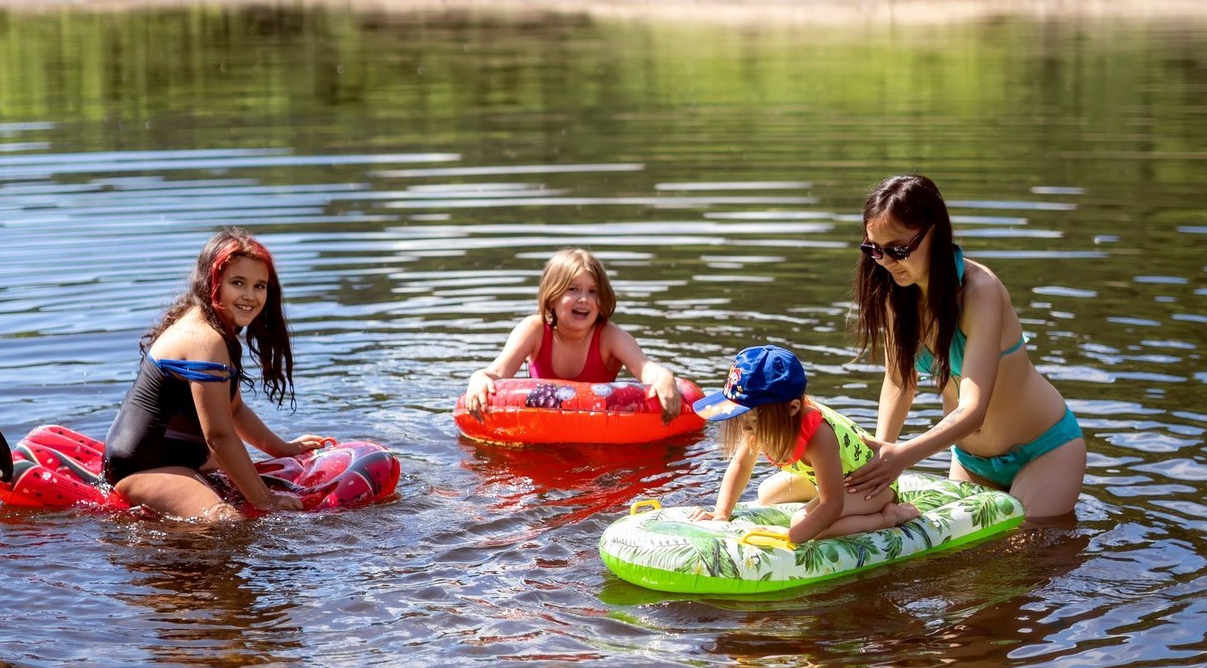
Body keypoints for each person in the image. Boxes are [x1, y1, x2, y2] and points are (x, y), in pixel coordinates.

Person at [846, 173, 1086, 518]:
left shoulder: (980, 292)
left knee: (1026, 552)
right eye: (874, 249)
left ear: (935, 233)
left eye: (898, 250)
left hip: (1043, 451)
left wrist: (904, 455)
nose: (885, 262)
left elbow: (975, 408)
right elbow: (900, 381)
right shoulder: (894, 292)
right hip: (971, 460)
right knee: (971, 564)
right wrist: (881, 458)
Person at [103, 227, 327, 520]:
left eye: (260, 286)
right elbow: (219, 437)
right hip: (144, 466)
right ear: (213, 283)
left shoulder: (219, 331)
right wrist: (267, 501)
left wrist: (281, 448)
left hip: (179, 456)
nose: (250, 296)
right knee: (226, 522)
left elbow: (233, 408)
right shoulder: (204, 339)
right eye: (238, 283)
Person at [690, 344, 919, 542]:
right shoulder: (762, 423)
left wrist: (790, 536)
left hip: (871, 485)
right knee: (767, 493)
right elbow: (741, 465)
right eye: (742, 418)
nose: (747, 428)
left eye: (753, 419)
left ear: (792, 409)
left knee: (802, 521)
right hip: (837, 479)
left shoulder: (820, 436)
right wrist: (721, 513)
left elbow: (832, 505)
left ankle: (888, 517)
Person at [463, 247, 684, 422]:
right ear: (552, 296)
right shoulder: (534, 330)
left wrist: (663, 377)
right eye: (573, 289)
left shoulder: (610, 337)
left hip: (596, 428)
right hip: (543, 425)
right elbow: (497, 373)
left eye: (593, 291)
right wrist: (478, 378)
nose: (584, 299)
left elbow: (644, 367)